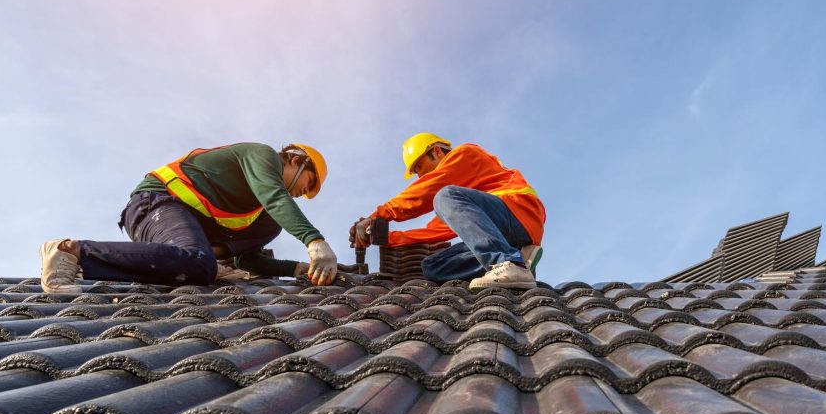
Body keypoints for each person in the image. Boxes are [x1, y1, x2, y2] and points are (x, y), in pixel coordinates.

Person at [39, 142, 338, 292]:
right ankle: (71, 252)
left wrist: (298, 268)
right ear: (296, 160)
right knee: (198, 262)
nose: (303, 193)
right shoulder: (263, 156)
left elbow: (247, 261)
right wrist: (314, 241)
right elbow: (276, 196)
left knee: (201, 267)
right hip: (155, 203)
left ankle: (200, 261)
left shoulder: (267, 218)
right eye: (308, 183)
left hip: (178, 234)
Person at [351, 133, 545, 290]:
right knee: (433, 266)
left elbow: (426, 191)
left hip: (519, 213)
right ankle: (519, 259)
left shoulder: (466, 154)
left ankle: (509, 262)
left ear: (436, 151)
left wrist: (377, 216)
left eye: (419, 166)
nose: (419, 175)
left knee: (444, 196)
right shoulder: (460, 205)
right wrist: (383, 237)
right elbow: (435, 232)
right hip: (506, 234)